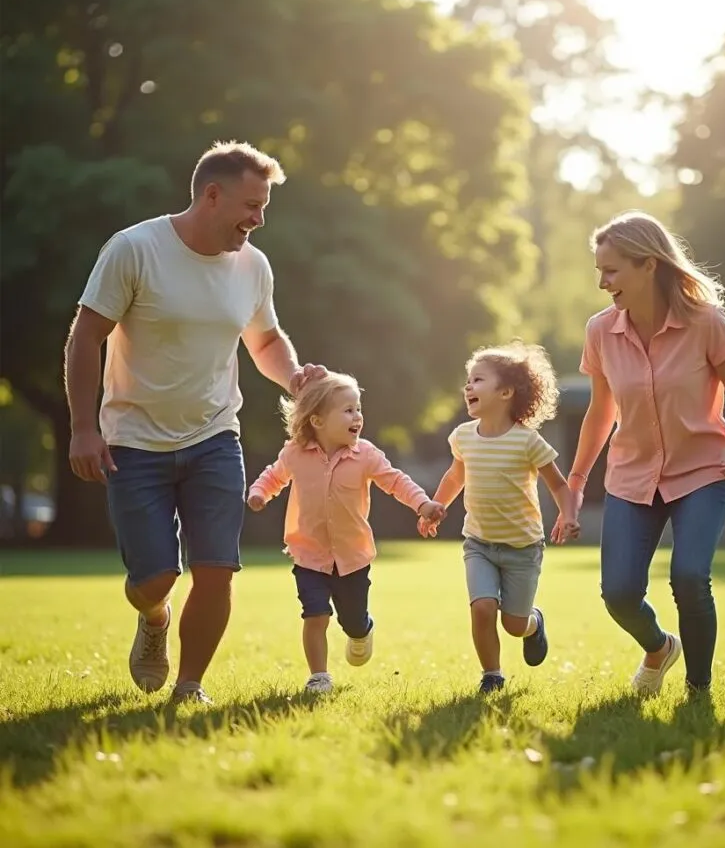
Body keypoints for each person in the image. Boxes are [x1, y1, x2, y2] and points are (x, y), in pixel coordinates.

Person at [64, 140, 326, 705]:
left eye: (264, 209)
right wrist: (84, 428)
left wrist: (296, 377)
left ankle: (189, 687)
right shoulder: (135, 249)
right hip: (132, 442)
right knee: (154, 578)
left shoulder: (253, 265)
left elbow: (265, 339)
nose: (258, 220)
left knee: (216, 569)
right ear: (213, 195)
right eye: (251, 206)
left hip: (214, 436)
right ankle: (153, 617)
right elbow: (86, 335)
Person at [553, 210, 725, 696]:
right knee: (619, 594)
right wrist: (576, 486)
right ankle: (660, 647)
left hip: (703, 471)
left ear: (648, 265)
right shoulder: (601, 331)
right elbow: (601, 413)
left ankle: (698, 690)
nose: (603, 282)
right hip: (631, 476)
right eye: (599, 271)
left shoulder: (706, 322)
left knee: (689, 576)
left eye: (611, 270)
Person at [246, 372, 445, 693]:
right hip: (308, 553)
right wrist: (259, 493)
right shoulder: (295, 453)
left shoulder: (365, 454)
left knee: (351, 619)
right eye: (348, 410)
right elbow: (273, 477)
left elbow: (395, 481)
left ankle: (361, 630)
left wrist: (422, 504)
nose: (358, 416)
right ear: (318, 421)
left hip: (352, 557)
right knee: (315, 613)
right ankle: (319, 675)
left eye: (358, 408)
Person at [420, 342, 581, 694]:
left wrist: (568, 515)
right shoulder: (463, 436)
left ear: (506, 392)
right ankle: (492, 674)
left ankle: (534, 624)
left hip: (523, 548)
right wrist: (436, 506)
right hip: (478, 542)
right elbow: (454, 477)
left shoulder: (527, 441)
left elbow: (559, 484)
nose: (468, 387)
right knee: (482, 608)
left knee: (513, 623)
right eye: (468, 381)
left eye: (477, 380)